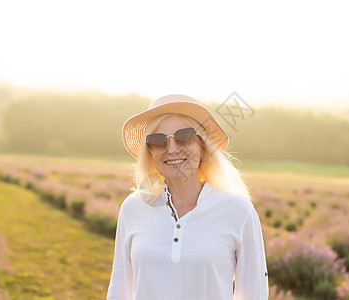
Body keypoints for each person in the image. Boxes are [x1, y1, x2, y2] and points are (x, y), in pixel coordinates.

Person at [106, 94, 268, 300]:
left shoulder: (239, 211)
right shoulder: (133, 208)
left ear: (203, 147)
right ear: (150, 152)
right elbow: (119, 290)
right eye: (158, 141)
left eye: (184, 137)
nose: (172, 149)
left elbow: (254, 294)